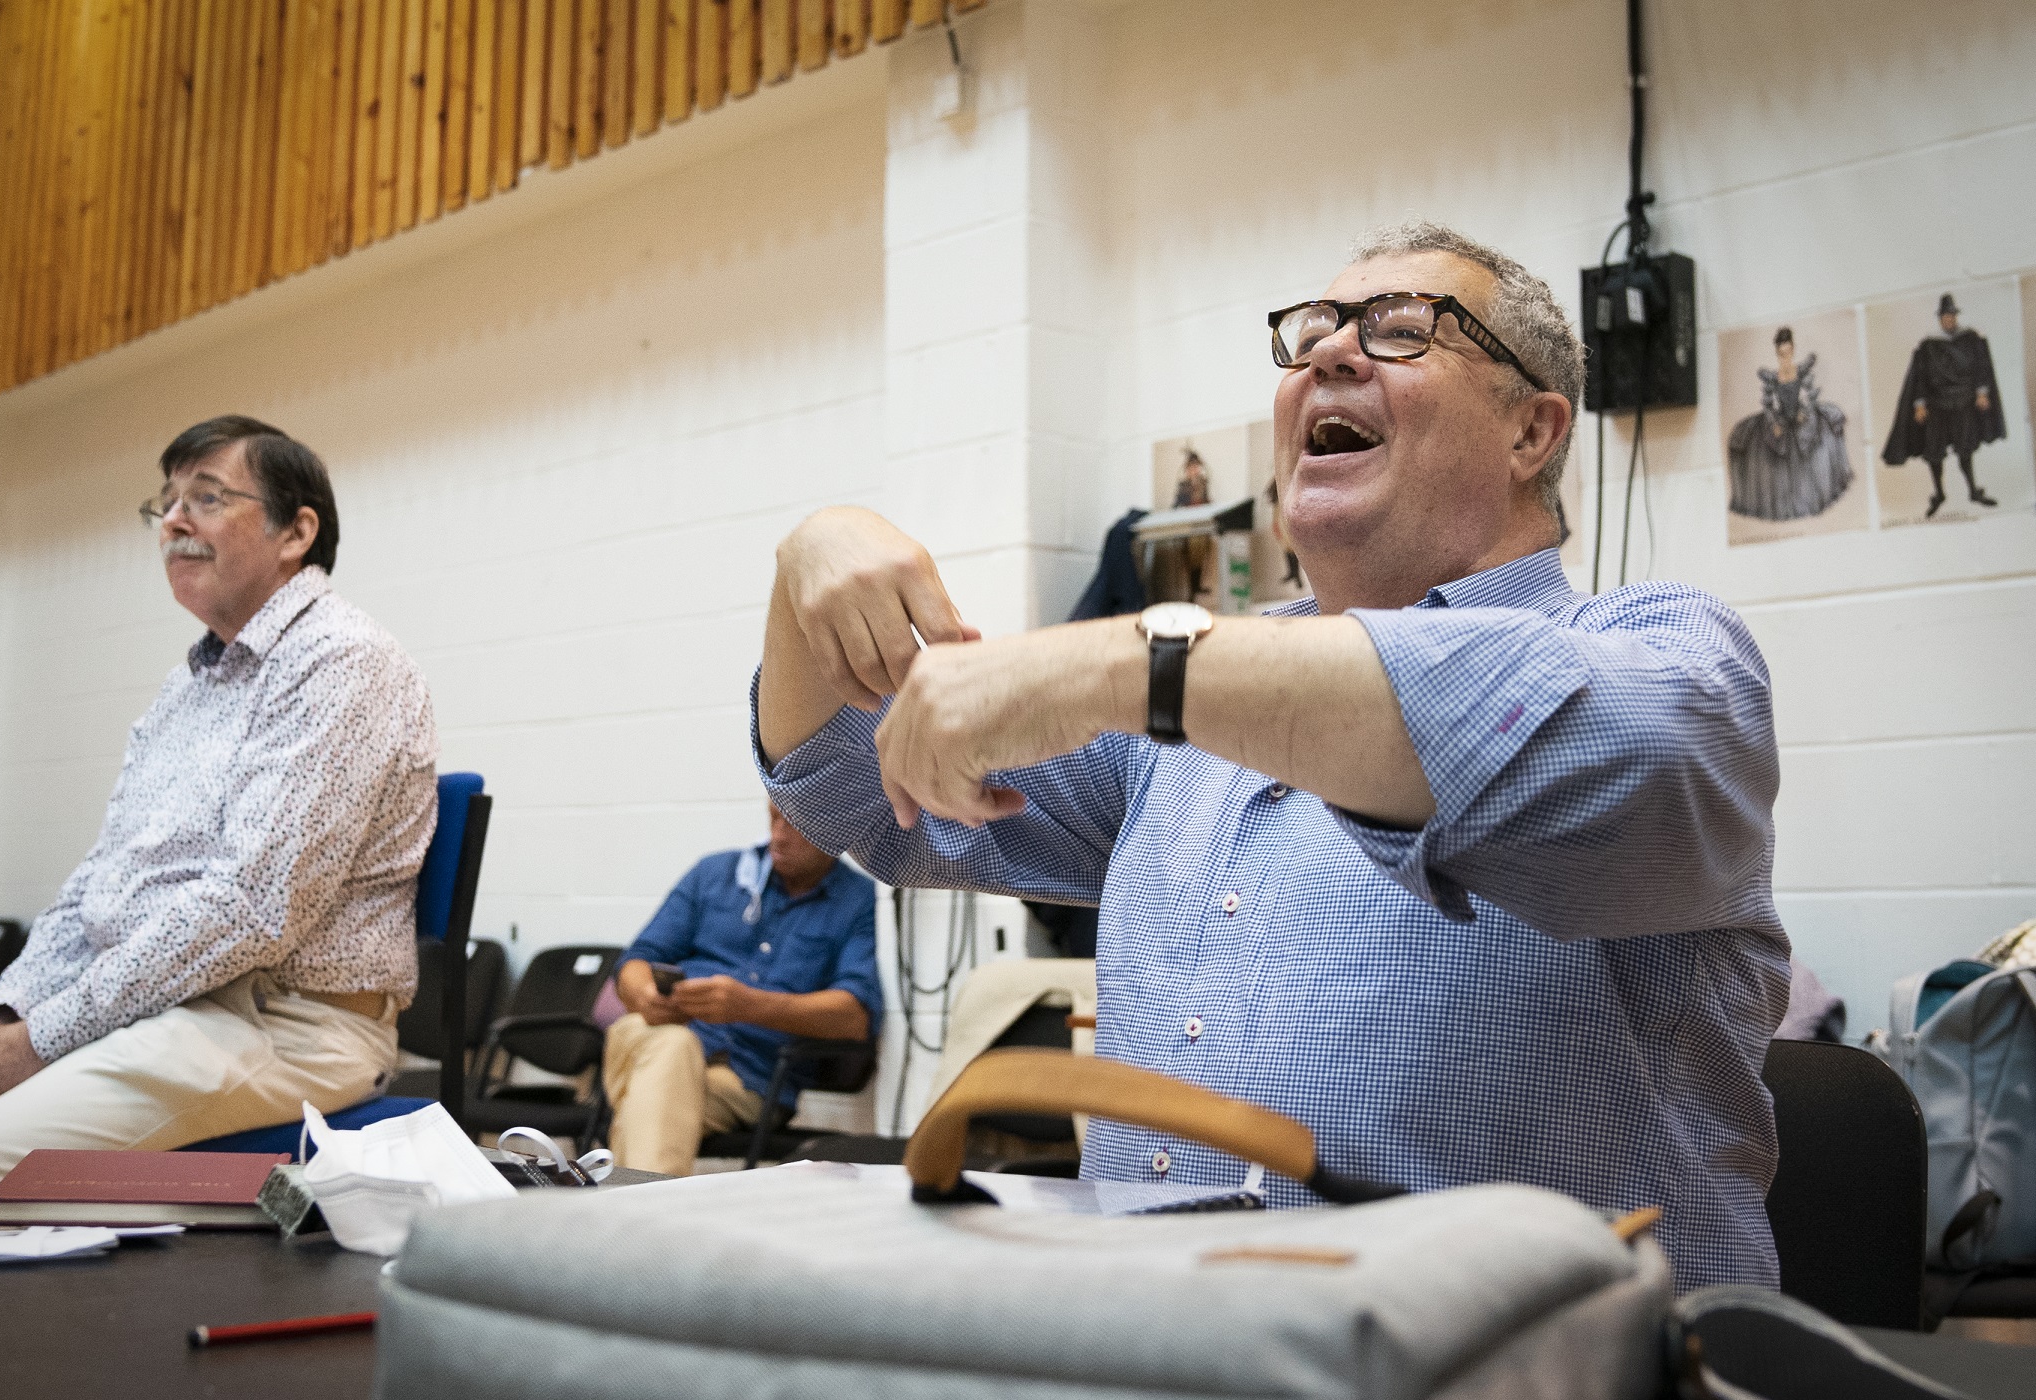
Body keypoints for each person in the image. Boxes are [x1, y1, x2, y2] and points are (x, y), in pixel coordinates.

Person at [752, 222, 1788, 1291]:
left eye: (1401, 331)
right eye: (1311, 335)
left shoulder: (1664, 650)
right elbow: (851, 786)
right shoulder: (1176, 728)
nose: (1330, 355)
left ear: (1532, 431)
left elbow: (1616, 753)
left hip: (1532, 1399)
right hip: (1179, 1376)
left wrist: (1132, 665)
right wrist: (807, 560)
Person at [0, 417, 437, 1193]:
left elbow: (252, 908)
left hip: (286, 1026)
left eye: (208, 497)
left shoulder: (345, 663)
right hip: (157, 1010)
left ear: (296, 532)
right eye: (167, 503)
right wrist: (11, 1013)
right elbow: (99, 884)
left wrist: (39, 1040)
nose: (174, 521)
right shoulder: (187, 689)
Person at [602, 803, 879, 1176]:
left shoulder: (858, 900)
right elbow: (637, 960)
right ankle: (650, 1223)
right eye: (774, 817)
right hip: (651, 1035)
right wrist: (647, 997)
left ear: (835, 833)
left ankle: (630, 1215)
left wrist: (750, 1006)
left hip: (743, 1080)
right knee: (673, 1044)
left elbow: (854, 1018)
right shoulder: (713, 874)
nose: (779, 835)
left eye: (796, 825)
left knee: (647, 1111)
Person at [1882, 293, 2005, 518]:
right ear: (1940, 318)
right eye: (1944, 316)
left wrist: (1981, 392)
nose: (1948, 320)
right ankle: (1939, 493)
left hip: (1964, 402)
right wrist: (1919, 404)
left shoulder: (1970, 339)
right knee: (1934, 453)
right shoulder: (1929, 345)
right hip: (1937, 405)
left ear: (1955, 316)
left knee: (1965, 449)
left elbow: (1980, 366)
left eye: (1951, 315)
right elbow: (1920, 377)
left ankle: (1973, 491)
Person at [1727, 326, 1855, 522]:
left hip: (1800, 421)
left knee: (1815, 445)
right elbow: (1768, 405)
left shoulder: (1802, 371)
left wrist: (1804, 413)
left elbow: (1811, 397)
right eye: (1780, 354)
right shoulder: (1772, 378)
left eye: (1788, 353)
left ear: (1793, 350)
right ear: (1777, 353)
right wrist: (1773, 422)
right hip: (1781, 422)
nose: (1784, 358)